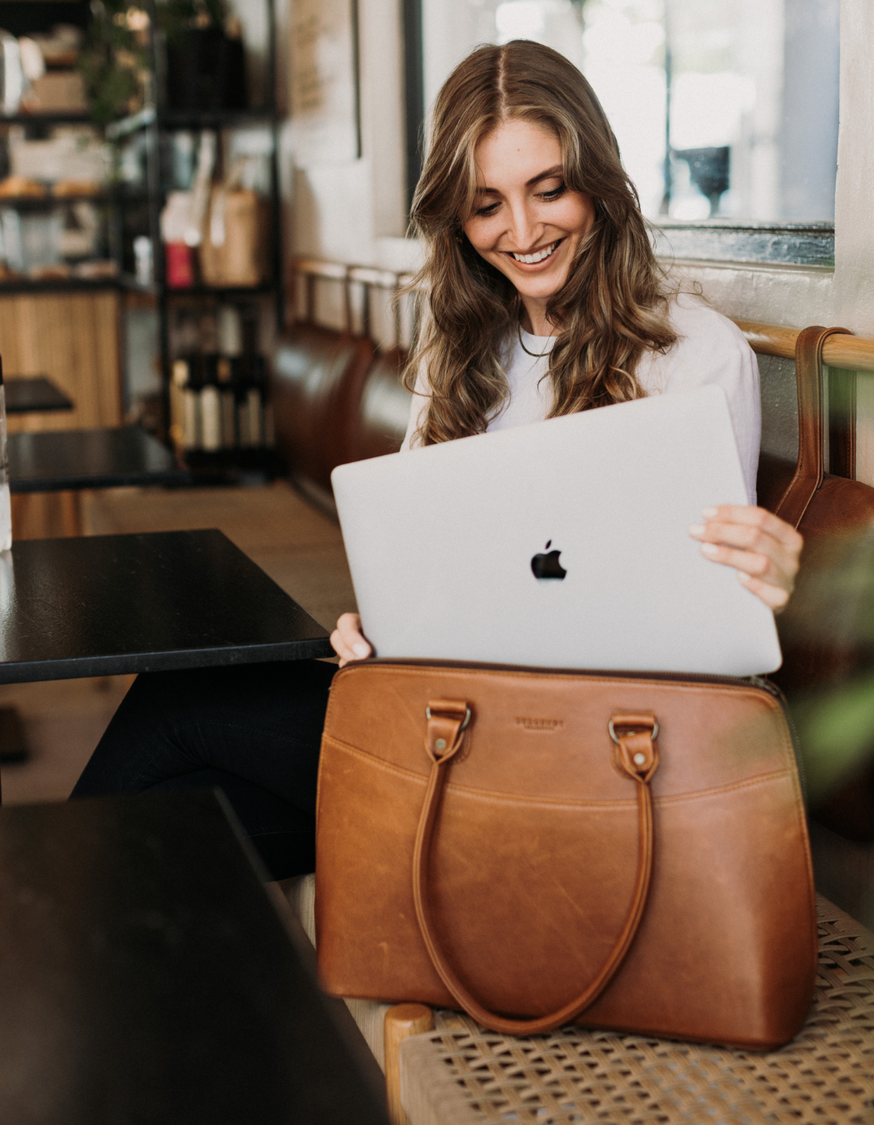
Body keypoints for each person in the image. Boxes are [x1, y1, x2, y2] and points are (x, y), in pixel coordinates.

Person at [72, 40, 802, 878]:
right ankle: (72, 960)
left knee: (179, 712)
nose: (522, 233)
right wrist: (378, 633)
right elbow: (430, 565)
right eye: (486, 204)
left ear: (598, 181)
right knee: (170, 818)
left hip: (594, 749)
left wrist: (763, 580)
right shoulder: (466, 353)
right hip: (451, 717)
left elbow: (702, 626)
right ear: (455, 217)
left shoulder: (692, 353)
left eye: (549, 189)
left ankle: (41, 959)